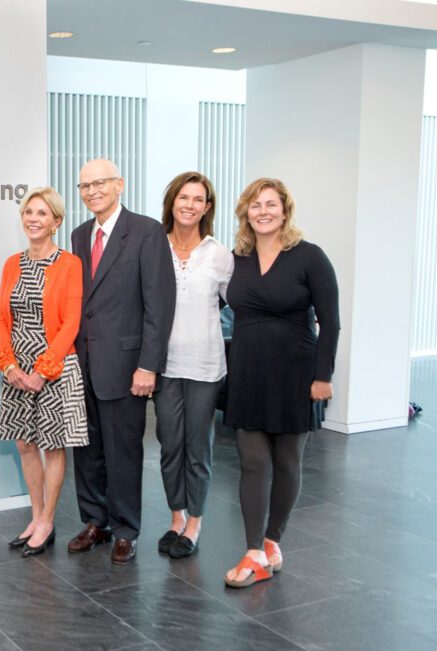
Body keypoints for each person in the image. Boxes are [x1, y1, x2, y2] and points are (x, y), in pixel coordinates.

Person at [222, 178, 339, 588]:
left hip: (295, 373)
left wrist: (323, 377)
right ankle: (254, 551)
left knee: (288, 462)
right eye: (255, 205)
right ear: (246, 213)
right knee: (252, 461)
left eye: (271, 204)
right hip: (248, 372)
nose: (263, 212)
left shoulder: (309, 256)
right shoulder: (237, 259)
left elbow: (331, 322)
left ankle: (273, 541)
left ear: (285, 210)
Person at [68, 159, 176, 563]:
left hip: (128, 365)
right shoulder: (79, 235)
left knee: (124, 452)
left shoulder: (147, 232)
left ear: (120, 184)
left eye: (100, 183)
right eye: (85, 186)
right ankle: (96, 521)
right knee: (88, 451)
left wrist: (148, 365)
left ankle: (126, 530)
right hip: (84, 363)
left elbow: (158, 305)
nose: (92, 191)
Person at [0, 187, 87, 557]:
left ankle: (48, 522)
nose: (33, 219)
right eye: (28, 212)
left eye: (42, 213)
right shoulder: (11, 264)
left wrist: (43, 370)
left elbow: (71, 323)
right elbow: (2, 319)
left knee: (52, 444)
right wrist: (9, 365)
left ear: (56, 222)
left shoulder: (70, 264)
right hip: (17, 367)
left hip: (55, 365)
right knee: (24, 443)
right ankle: (35, 517)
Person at [153, 172, 233, 559]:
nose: (189, 205)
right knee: (169, 444)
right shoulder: (155, 247)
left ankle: (195, 523)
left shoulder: (219, 254)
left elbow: (238, 303)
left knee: (198, 447)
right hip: (164, 365)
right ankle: (176, 518)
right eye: (183, 197)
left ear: (207, 207)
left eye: (198, 199)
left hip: (204, 365)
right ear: (172, 202)